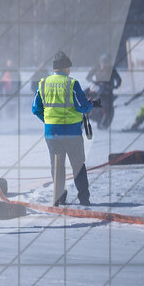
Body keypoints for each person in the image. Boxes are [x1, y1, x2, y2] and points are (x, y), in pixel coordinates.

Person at [32, 51, 93, 206]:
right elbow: (83, 107)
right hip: (72, 133)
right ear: (66, 68)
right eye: (69, 67)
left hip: (52, 134)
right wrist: (90, 104)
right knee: (78, 165)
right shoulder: (72, 83)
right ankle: (84, 198)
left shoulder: (43, 83)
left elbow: (35, 108)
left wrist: (48, 122)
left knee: (57, 166)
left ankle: (59, 197)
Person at [85, 54, 121, 129]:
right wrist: (94, 81)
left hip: (107, 89)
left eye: (106, 63)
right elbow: (88, 77)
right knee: (84, 94)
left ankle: (104, 120)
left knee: (106, 104)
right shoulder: (96, 67)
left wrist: (115, 86)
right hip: (97, 87)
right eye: (103, 62)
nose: (104, 65)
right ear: (100, 62)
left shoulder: (112, 69)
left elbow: (118, 80)